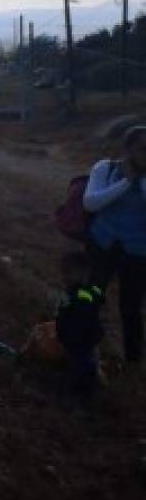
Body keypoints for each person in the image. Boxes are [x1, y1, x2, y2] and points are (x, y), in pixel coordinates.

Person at [82, 125, 146, 368]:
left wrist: (140, 183)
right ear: (128, 149)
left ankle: (132, 361)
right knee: (91, 295)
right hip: (103, 243)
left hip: (138, 252)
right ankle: (83, 344)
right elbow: (90, 203)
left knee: (131, 306)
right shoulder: (105, 168)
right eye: (143, 149)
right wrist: (125, 183)